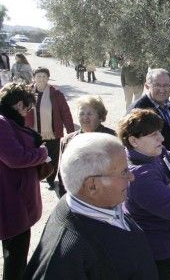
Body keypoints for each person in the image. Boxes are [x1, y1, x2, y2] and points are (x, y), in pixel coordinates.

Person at [24, 133, 158, 279]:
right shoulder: (66, 256)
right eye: (124, 172)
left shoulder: (99, 203)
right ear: (92, 186)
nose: (131, 177)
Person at [117, 109, 170, 280]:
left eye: (159, 132)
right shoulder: (140, 176)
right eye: (154, 134)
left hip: (168, 240)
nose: (162, 138)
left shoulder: (156, 152)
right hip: (157, 250)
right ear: (134, 141)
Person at [0, 83, 48, 280]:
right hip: (11, 203)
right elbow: (15, 158)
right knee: (15, 259)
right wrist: (42, 153)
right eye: (28, 109)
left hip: (14, 200)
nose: (27, 113)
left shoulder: (7, 122)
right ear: (19, 104)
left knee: (15, 255)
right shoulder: (2, 123)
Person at [25, 67, 74, 191]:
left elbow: (65, 113)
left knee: (52, 157)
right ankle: (36, 177)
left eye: (44, 76)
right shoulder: (26, 93)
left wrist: (71, 132)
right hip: (32, 133)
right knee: (34, 156)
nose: (41, 79)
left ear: (48, 78)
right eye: (38, 76)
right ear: (34, 77)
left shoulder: (56, 94)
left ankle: (51, 180)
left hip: (52, 133)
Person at [57, 95, 115, 197]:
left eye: (90, 113)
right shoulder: (68, 140)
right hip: (76, 197)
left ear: (100, 116)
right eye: (81, 113)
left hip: (103, 196)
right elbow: (63, 174)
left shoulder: (112, 138)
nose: (85, 117)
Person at [130, 68, 170, 154]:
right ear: (147, 86)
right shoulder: (138, 110)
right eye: (157, 85)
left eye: (166, 85)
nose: (162, 90)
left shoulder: (167, 104)